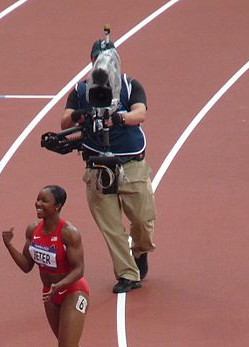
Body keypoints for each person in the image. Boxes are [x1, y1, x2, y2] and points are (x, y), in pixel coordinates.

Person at [2, 185, 105, 347]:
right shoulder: (32, 231)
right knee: (68, 346)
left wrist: (59, 284)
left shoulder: (69, 234)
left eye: (44, 201)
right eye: (37, 199)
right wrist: (9, 245)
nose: (38, 204)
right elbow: (27, 266)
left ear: (57, 206)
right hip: (50, 295)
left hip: (73, 292)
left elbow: (79, 270)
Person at [61, 37, 157, 294]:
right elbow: (64, 121)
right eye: (97, 60)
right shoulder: (82, 91)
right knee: (111, 227)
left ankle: (140, 250)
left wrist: (120, 117)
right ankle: (127, 274)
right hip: (98, 167)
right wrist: (79, 115)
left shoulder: (129, 85)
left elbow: (141, 113)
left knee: (143, 220)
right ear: (91, 61)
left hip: (131, 164)